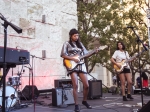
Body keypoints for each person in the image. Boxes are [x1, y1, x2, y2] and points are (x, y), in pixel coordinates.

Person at [60, 28, 95, 112]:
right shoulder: (67, 43)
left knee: (86, 85)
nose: (76, 37)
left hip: (81, 65)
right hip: (72, 65)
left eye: (77, 36)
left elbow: (86, 55)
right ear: (71, 36)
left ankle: (84, 101)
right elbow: (63, 54)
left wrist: (94, 52)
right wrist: (73, 58)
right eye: (75, 35)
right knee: (75, 85)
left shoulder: (80, 44)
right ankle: (76, 105)